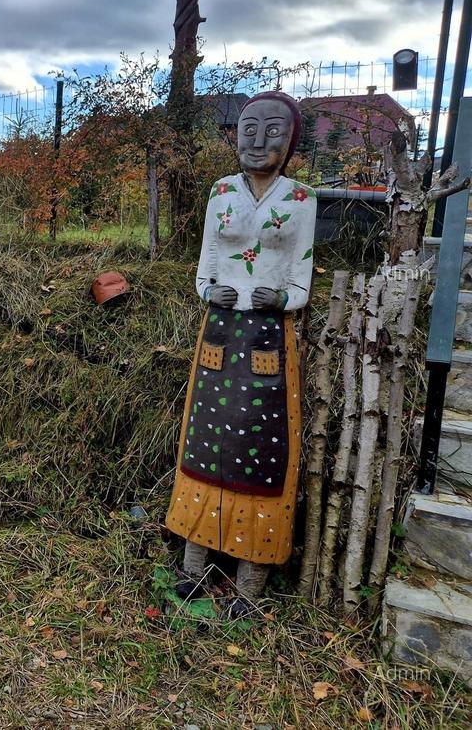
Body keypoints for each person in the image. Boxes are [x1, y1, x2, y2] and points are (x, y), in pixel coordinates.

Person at [164, 90, 317, 618]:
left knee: (263, 448)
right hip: (220, 331)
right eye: (248, 129)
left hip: (268, 337)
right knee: (205, 443)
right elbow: (205, 265)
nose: (257, 141)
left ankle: (252, 579)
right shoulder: (221, 190)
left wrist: (284, 299)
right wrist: (210, 291)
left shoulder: (301, 198)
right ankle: (193, 564)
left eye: (272, 130)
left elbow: (302, 275)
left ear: (291, 139)